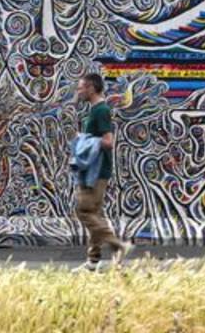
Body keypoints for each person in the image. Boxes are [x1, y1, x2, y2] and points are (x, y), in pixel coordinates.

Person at [74, 72, 128, 270]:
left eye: (81, 88)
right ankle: (93, 261)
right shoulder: (96, 110)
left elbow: (108, 141)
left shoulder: (101, 110)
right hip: (94, 170)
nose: (78, 92)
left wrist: (84, 140)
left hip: (96, 172)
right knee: (94, 213)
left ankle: (117, 245)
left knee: (84, 211)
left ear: (91, 88)